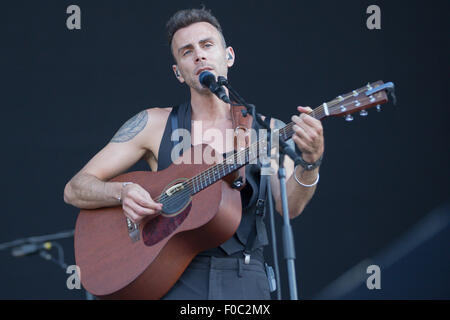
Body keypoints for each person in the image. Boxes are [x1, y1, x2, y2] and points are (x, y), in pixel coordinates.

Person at [63, 8, 324, 300]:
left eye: (207, 45)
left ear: (229, 56)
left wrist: (310, 162)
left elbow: (290, 206)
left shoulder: (267, 130)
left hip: (246, 279)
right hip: (173, 276)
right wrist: (122, 192)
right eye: (187, 52)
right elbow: (75, 188)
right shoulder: (153, 124)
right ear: (178, 72)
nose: (199, 56)